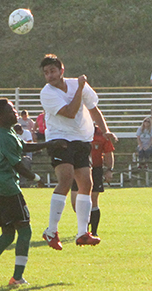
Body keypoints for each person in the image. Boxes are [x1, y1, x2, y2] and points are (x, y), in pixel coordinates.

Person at [0, 98, 63, 286]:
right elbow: (18, 165)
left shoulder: (7, 132)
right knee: (25, 230)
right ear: (1, 117)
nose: (16, 112)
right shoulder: (4, 136)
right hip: (7, 188)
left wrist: (47, 144)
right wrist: (38, 179)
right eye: (11, 110)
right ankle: (17, 278)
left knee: (8, 234)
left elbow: (24, 147)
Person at [39, 54, 117, 250]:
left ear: (61, 70)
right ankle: (51, 231)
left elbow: (93, 109)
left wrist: (105, 129)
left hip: (81, 139)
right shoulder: (47, 93)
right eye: (46, 73)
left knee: (87, 184)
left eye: (53, 71)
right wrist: (80, 89)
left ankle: (83, 233)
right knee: (65, 180)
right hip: (60, 139)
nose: (50, 76)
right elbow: (70, 112)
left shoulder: (76, 84)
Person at [70, 125, 115, 237]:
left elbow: (109, 153)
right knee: (75, 203)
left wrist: (109, 170)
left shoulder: (101, 134)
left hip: (96, 169)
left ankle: (92, 231)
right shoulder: (76, 131)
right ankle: (85, 225)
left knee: (94, 199)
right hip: (78, 169)